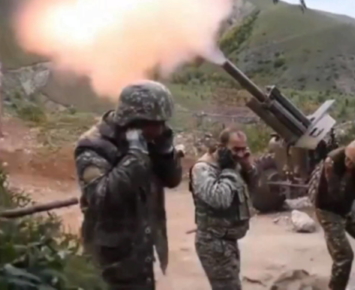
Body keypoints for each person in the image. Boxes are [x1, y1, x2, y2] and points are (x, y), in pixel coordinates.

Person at [74, 80, 184, 290]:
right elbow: (101, 197)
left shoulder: (149, 140)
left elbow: (172, 180)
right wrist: (134, 157)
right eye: (156, 123)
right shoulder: (94, 145)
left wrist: (165, 151)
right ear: (134, 121)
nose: (161, 128)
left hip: (140, 255)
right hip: (109, 263)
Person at [308, 136, 355, 290]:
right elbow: (337, 195)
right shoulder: (332, 162)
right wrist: (350, 173)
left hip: (345, 208)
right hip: (328, 209)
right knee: (344, 256)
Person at [189, 127, 257, 290]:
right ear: (222, 147)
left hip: (228, 240)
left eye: (243, 149)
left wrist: (247, 167)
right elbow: (220, 199)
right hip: (213, 242)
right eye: (236, 150)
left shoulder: (234, 162)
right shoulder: (203, 169)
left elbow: (254, 187)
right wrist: (229, 170)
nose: (240, 154)